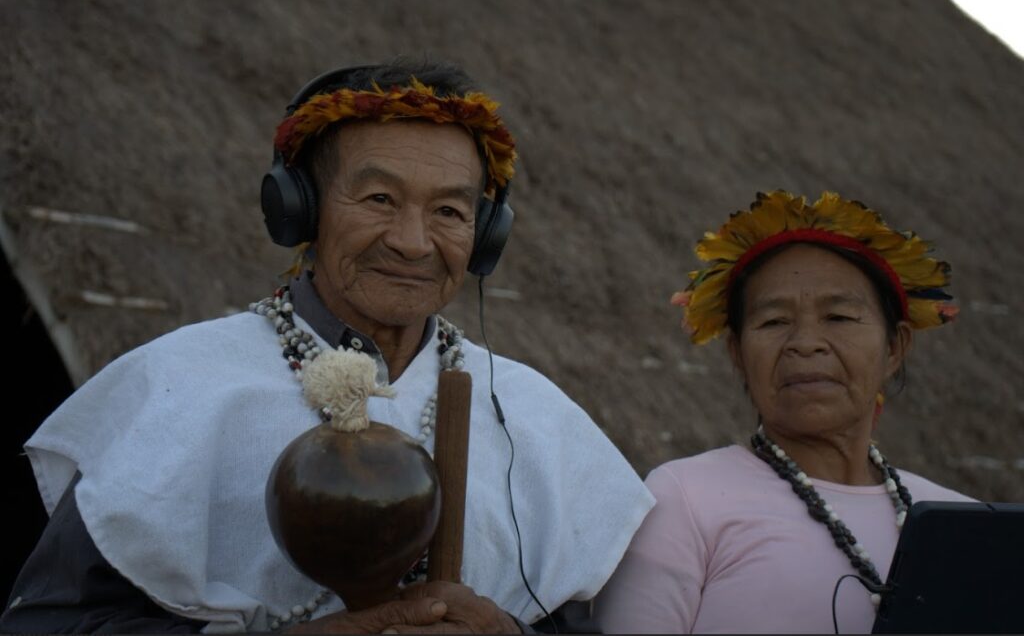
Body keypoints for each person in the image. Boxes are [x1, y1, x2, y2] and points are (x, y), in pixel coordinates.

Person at [2, 58, 654, 634]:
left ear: (484, 236)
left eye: (449, 212)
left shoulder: (537, 417)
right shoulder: (178, 385)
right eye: (379, 198)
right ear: (301, 209)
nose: (412, 241)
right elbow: (49, 622)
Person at [594, 190, 973, 634]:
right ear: (738, 353)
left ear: (894, 347)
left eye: (839, 317)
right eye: (773, 322)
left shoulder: (964, 524)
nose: (805, 343)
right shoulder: (684, 500)